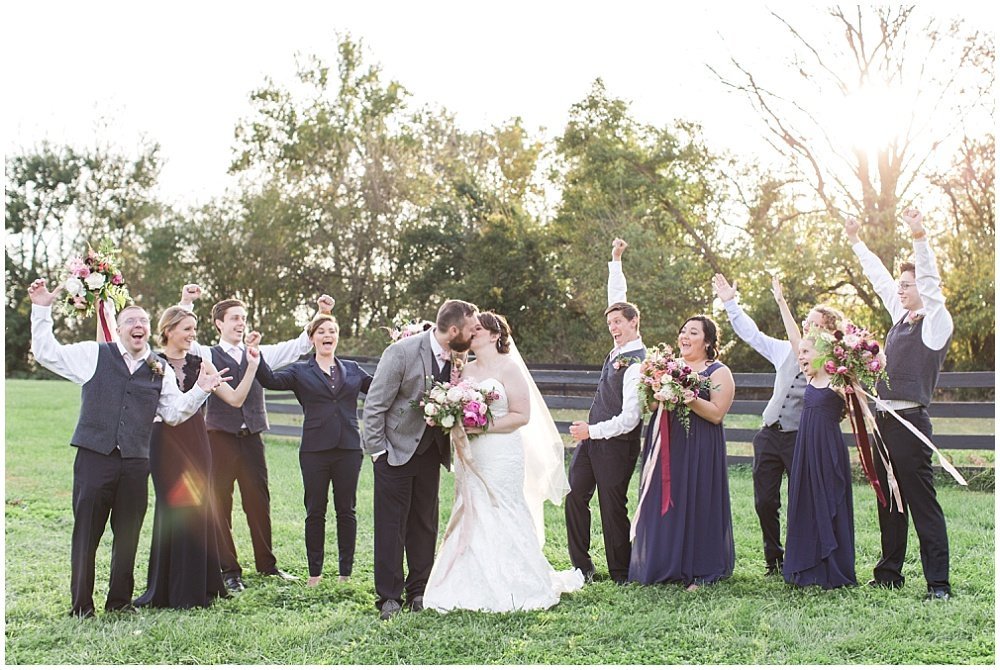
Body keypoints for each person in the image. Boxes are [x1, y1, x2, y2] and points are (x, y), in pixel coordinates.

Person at [27, 278, 230, 618]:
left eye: (144, 322)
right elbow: (47, 353)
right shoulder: (95, 355)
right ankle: (82, 606)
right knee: (86, 535)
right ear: (119, 329)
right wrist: (41, 308)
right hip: (94, 458)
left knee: (128, 536)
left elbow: (175, 413)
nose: (138, 325)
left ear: (150, 331)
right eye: (131, 321)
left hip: (136, 463)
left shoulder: (157, 367)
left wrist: (202, 390)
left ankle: (119, 602)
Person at [423, 312, 584, 612]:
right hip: (472, 452)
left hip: (502, 450)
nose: (473, 334)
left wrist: (482, 426)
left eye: (479, 329)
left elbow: (522, 415)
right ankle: (464, 582)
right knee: (470, 506)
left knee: (501, 506)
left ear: (496, 335)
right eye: (471, 330)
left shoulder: (509, 369)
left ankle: (516, 581)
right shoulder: (463, 370)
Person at [178, 284, 334, 592]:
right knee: (220, 505)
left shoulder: (259, 354)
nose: (240, 323)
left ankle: (267, 565)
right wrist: (186, 303)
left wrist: (322, 313)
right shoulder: (207, 354)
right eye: (234, 318)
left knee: (259, 502)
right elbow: (183, 337)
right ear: (219, 323)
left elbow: (298, 346)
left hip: (252, 440)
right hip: (218, 439)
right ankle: (230, 571)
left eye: (243, 317)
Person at [845, 207, 954, 601]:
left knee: (921, 503)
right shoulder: (899, 317)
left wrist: (919, 236)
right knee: (889, 498)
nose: (902, 289)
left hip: (911, 424)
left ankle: (938, 584)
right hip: (883, 423)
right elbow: (877, 279)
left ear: (922, 286)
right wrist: (856, 241)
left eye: (909, 284)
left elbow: (931, 280)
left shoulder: (937, 323)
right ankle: (889, 572)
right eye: (902, 284)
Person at [712, 273, 846, 577]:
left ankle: (803, 558)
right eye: (807, 321)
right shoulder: (787, 350)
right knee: (764, 500)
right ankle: (774, 559)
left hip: (802, 438)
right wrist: (731, 303)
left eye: (815, 323)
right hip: (770, 434)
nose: (808, 327)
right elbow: (752, 335)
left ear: (829, 330)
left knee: (802, 501)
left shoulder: (835, 366)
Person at [135, 306, 261, 609]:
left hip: (195, 443)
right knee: (172, 512)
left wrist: (253, 366)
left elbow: (234, 398)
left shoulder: (201, 363)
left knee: (196, 511)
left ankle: (196, 588)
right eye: (187, 329)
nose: (193, 335)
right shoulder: (151, 363)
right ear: (168, 331)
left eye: (194, 328)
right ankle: (167, 589)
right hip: (164, 445)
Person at [362, 299, 479, 620]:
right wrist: (378, 452)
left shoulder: (460, 357)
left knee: (424, 525)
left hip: (431, 455)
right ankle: (389, 596)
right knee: (390, 526)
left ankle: (419, 589)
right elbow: (375, 404)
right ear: (453, 330)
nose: (473, 335)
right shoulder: (401, 352)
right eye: (469, 330)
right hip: (394, 453)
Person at [252, 314, 373, 587]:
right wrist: (255, 355)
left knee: (347, 510)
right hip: (314, 450)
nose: (327, 335)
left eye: (332, 330)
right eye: (321, 331)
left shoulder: (353, 369)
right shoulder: (299, 371)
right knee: (315, 510)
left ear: (337, 336)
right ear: (312, 338)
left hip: (349, 448)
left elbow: (378, 387)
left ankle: (345, 573)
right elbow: (270, 380)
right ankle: (315, 574)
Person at [627, 312, 736, 589]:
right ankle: (664, 564)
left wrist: (687, 396)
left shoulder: (718, 371)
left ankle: (700, 569)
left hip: (700, 445)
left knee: (697, 498)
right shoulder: (668, 367)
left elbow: (716, 414)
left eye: (694, 332)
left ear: (708, 341)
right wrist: (654, 385)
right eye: (684, 331)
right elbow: (652, 407)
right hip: (667, 442)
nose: (685, 337)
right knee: (665, 498)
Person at [565, 238, 646, 585]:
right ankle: (581, 566)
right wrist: (615, 259)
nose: (613, 327)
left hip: (616, 443)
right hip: (592, 439)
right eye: (610, 322)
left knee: (613, 506)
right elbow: (617, 296)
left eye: (619, 322)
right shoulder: (616, 350)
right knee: (574, 494)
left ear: (634, 322)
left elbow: (631, 419)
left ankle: (621, 573)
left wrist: (591, 432)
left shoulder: (638, 364)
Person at [772, 280, 856, 589]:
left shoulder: (836, 379)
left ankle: (831, 567)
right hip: (805, 448)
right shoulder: (811, 376)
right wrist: (782, 302)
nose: (801, 356)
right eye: (801, 352)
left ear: (823, 353)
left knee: (827, 500)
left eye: (807, 352)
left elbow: (861, 375)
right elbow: (798, 339)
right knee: (805, 501)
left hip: (826, 450)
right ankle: (807, 567)